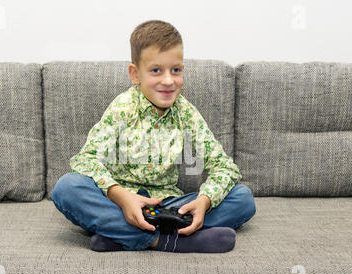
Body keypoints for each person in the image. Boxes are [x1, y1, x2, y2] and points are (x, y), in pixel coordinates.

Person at [52, 20, 256, 253]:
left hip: (169, 208)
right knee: (66, 187)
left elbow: (226, 168)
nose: (168, 80)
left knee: (243, 198)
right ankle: (164, 241)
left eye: (176, 70)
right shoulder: (123, 108)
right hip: (120, 205)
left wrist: (205, 200)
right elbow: (85, 160)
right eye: (156, 70)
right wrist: (120, 196)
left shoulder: (186, 113)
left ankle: (120, 236)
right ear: (135, 74)